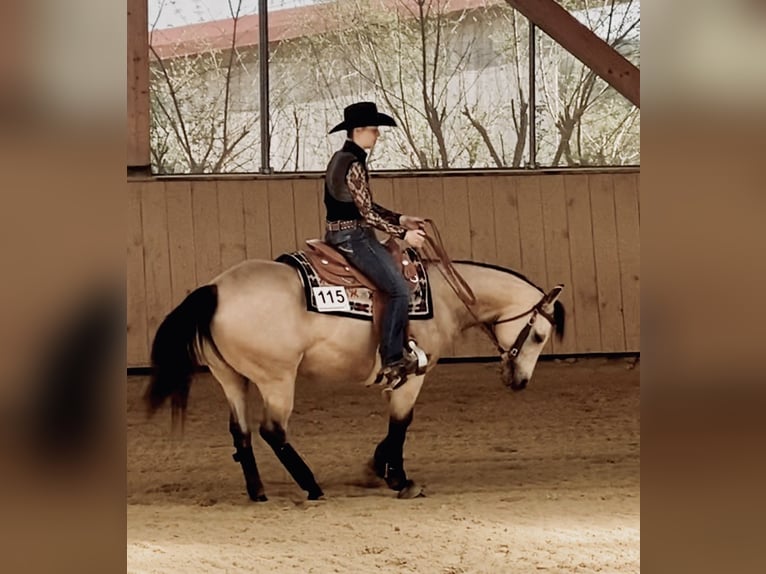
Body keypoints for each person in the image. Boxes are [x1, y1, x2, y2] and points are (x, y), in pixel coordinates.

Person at [324, 102, 427, 389]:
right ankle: (392, 359)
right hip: (353, 238)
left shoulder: (341, 158)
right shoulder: (354, 163)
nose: (377, 135)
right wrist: (403, 235)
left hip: (341, 233)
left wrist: (401, 218)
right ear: (358, 131)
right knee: (397, 290)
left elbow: (364, 204)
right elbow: (366, 214)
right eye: (374, 129)